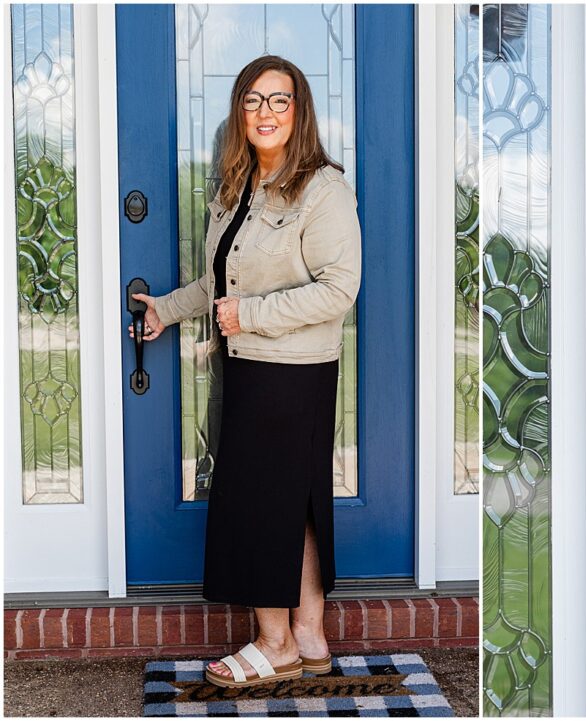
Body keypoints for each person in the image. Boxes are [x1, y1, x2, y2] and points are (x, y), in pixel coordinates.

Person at [128, 55, 360, 688]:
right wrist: (168, 311)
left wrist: (249, 316)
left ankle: (275, 642)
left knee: (262, 507)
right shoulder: (237, 187)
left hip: (293, 374)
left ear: (299, 111)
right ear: (239, 112)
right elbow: (220, 279)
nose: (266, 113)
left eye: (279, 101)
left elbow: (340, 290)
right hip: (252, 368)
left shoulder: (323, 189)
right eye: (254, 101)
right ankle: (309, 635)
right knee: (292, 507)